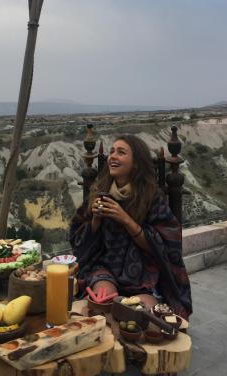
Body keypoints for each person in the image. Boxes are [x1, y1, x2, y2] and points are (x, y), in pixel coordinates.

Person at [69, 134, 192, 319]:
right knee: (101, 304)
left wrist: (125, 219)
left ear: (135, 163)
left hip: (144, 273)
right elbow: (78, 241)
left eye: (121, 152)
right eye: (112, 152)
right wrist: (95, 221)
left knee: (138, 315)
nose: (113, 156)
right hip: (105, 267)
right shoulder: (99, 193)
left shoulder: (151, 197)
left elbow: (166, 246)